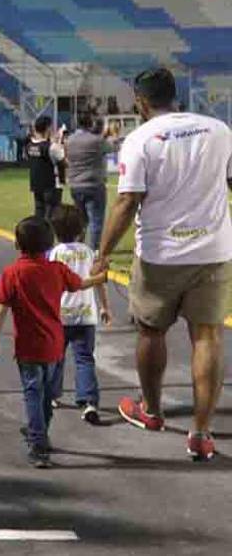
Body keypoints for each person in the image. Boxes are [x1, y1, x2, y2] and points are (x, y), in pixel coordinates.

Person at [93, 67, 232, 462]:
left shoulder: (140, 139)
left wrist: (102, 251)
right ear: (176, 95)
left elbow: (126, 202)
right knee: (207, 336)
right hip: (213, 251)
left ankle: (151, 411)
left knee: (151, 331)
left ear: (140, 101)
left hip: (161, 255)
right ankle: (201, 433)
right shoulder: (219, 130)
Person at [0, 216, 107, 468]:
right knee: (47, 394)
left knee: (33, 393)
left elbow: (0, 310)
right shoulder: (57, 270)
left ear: (18, 245)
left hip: (28, 348)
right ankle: (38, 430)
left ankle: (38, 443)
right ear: (49, 243)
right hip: (54, 345)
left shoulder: (12, 273)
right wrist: (100, 278)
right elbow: (80, 284)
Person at [48, 204, 114, 425]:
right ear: (81, 230)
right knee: (85, 359)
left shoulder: (54, 254)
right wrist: (104, 306)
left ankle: (51, 395)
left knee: (55, 358)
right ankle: (89, 402)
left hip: (59, 316)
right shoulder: (89, 253)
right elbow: (99, 282)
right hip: (85, 316)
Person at [65, 112, 119, 250]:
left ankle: (79, 247)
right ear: (90, 123)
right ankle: (93, 250)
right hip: (93, 185)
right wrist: (114, 134)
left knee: (81, 220)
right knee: (96, 221)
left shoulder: (69, 140)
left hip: (76, 185)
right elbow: (113, 148)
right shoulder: (96, 140)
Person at [25, 115, 65, 219]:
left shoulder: (29, 146)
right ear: (47, 128)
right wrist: (60, 144)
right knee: (52, 219)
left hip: (36, 186)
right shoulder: (51, 147)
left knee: (39, 216)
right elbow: (63, 162)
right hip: (51, 186)